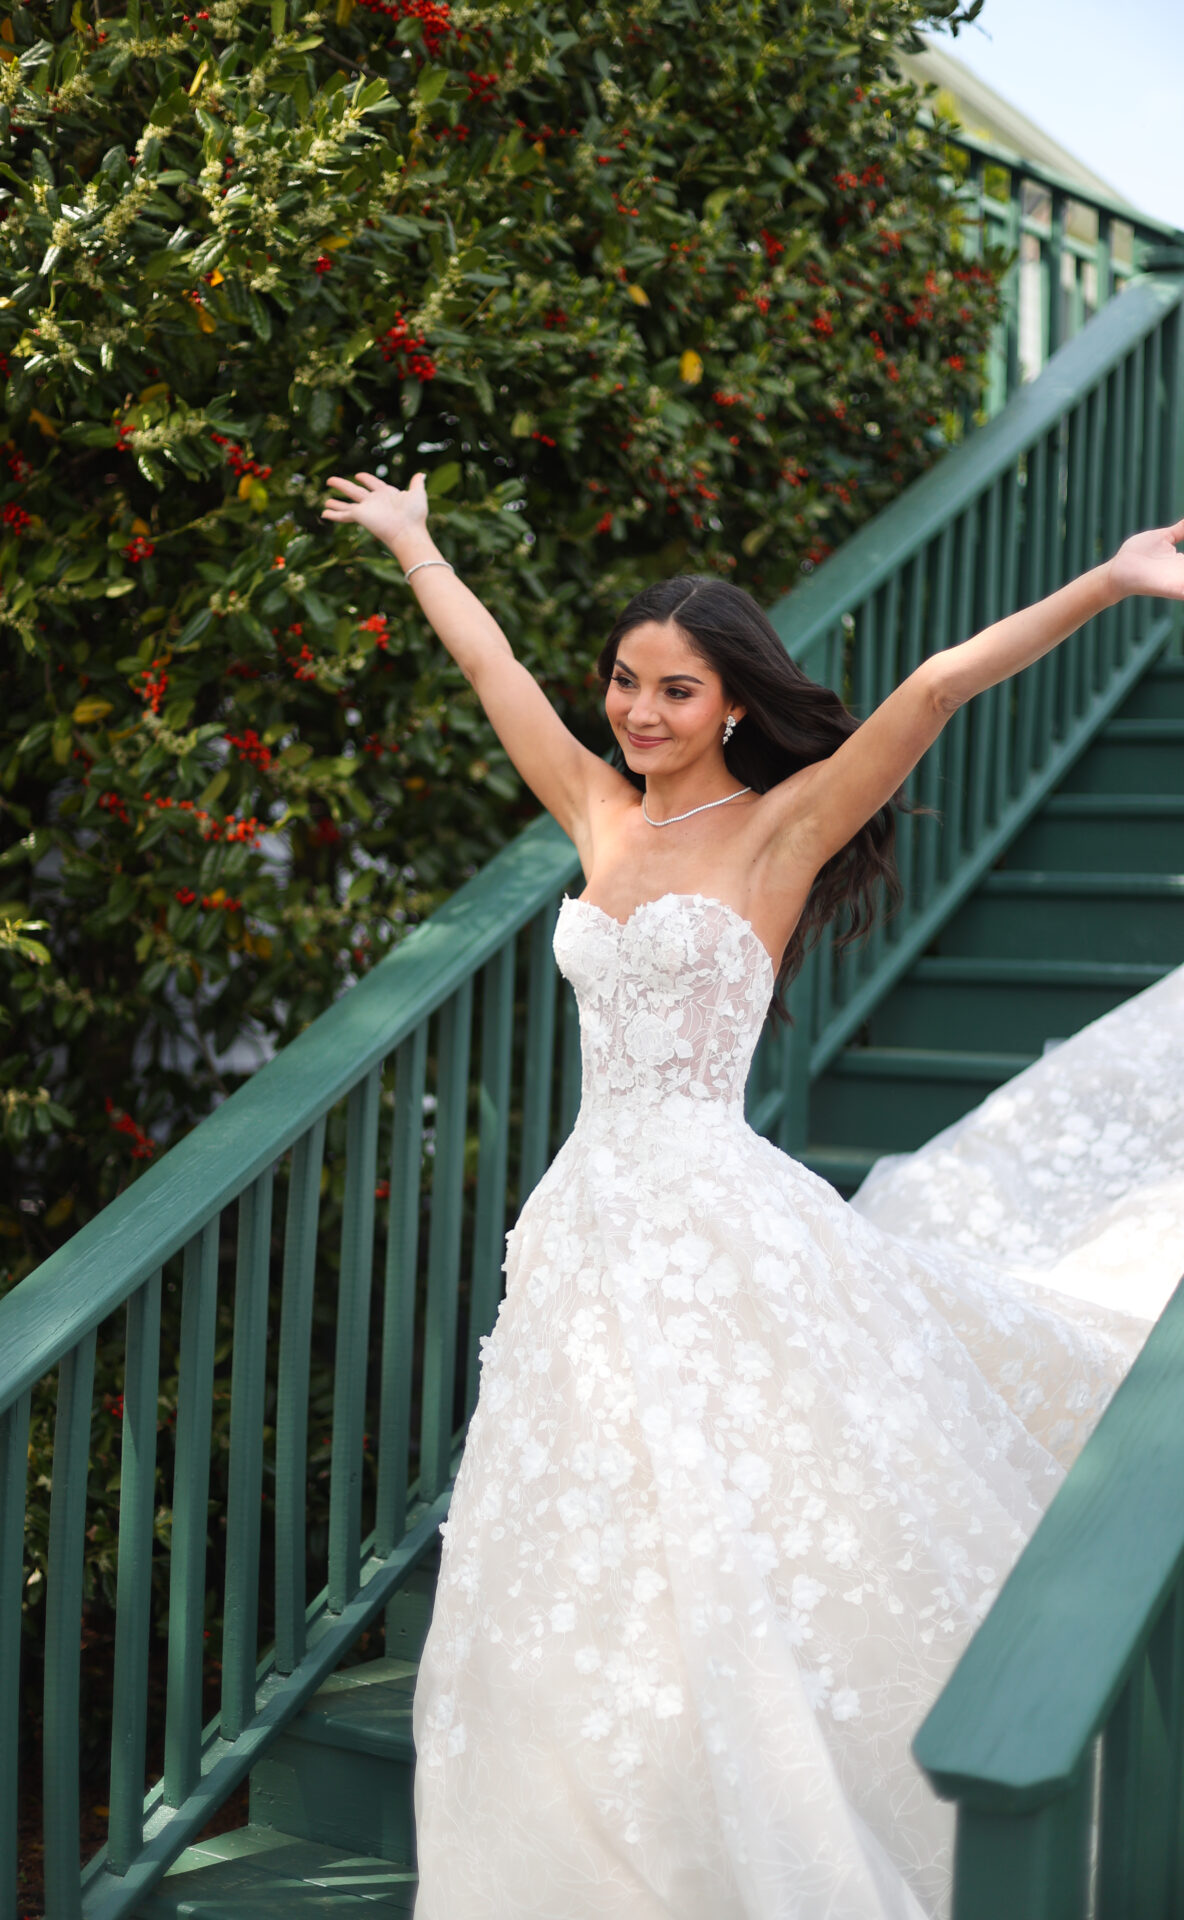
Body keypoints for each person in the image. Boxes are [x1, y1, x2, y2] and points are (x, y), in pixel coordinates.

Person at [321, 469, 1184, 1919]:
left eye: (673, 690)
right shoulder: (600, 812)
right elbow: (490, 666)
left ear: (732, 706)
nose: (637, 712)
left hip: (715, 1224)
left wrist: (1108, 581)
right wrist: (416, 545)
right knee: (582, 1533)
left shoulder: (781, 830)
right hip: (588, 1220)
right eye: (625, 683)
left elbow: (933, 688)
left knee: (731, 1524)